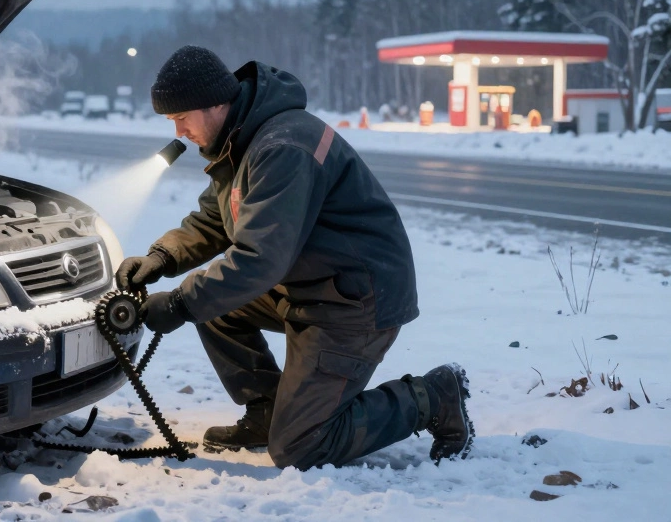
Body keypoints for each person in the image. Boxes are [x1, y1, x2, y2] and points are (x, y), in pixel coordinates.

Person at [115, 45, 472, 470]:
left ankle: (433, 397)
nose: (179, 131)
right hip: (314, 285)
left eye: (181, 118)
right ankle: (267, 412)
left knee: (302, 446)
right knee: (214, 305)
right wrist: (162, 256)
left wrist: (178, 303)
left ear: (213, 103)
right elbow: (216, 220)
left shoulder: (282, 147)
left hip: (357, 298)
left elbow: (260, 258)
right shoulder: (242, 141)